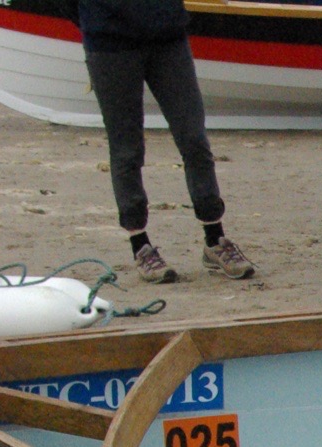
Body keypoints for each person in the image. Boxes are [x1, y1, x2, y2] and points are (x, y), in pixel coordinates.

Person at [78, 0, 255, 283]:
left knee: (194, 139)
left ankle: (214, 239)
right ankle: (140, 245)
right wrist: (96, 18)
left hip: (168, 36)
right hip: (109, 43)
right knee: (127, 149)